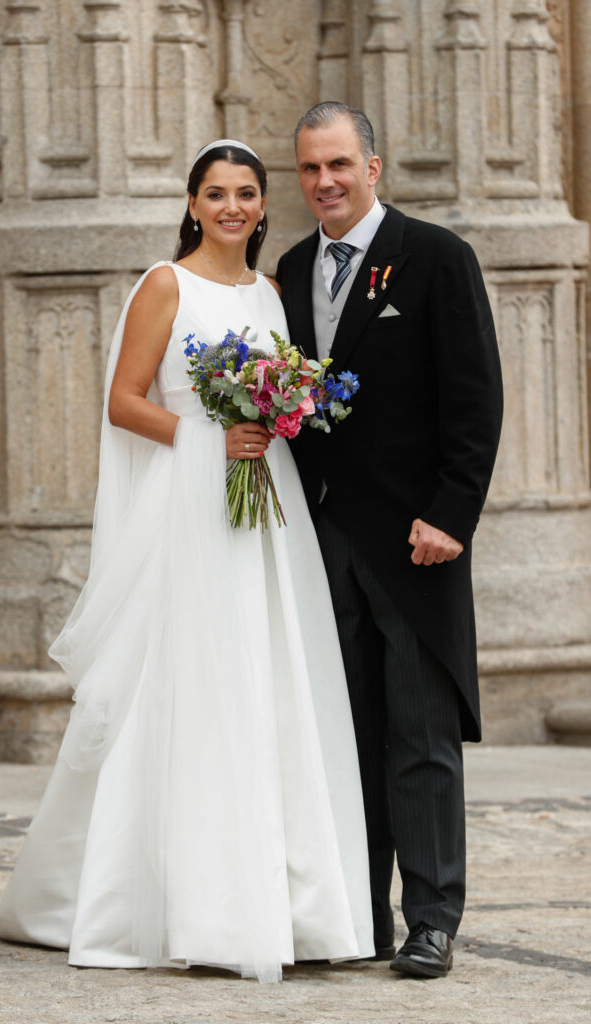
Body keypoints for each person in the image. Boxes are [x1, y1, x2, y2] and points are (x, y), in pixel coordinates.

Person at [0, 139, 375, 983]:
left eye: (246, 194)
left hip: (264, 512)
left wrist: (274, 419)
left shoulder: (273, 293)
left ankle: (287, 903)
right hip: (192, 508)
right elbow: (125, 402)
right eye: (215, 194)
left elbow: (290, 402)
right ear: (192, 204)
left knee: (271, 680)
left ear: (265, 208)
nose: (232, 207)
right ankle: (171, 899)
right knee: (192, 682)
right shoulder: (165, 285)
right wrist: (207, 432)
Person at [276, 102, 503, 979]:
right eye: (309, 169)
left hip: (417, 542)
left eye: (338, 164)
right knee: (347, 731)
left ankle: (432, 917)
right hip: (324, 536)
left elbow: (476, 397)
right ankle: (359, 916)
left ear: (375, 165)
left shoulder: (438, 257)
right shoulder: (294, 269)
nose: (324, 182)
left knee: (419, 732)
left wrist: (453, 512)